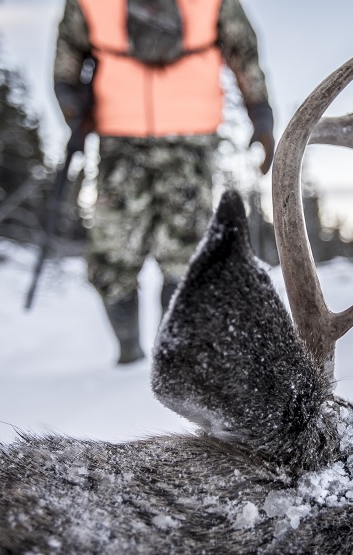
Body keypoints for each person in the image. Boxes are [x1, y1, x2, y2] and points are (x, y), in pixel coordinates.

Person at [53, 0, 274, 364]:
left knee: (186, 261)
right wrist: (69, 96)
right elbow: (70, 47)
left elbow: (243, 49)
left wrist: (260, 114)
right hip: (119, 141)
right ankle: (128, 357)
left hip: (191, 143)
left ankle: (172, 362)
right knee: (111, 261)